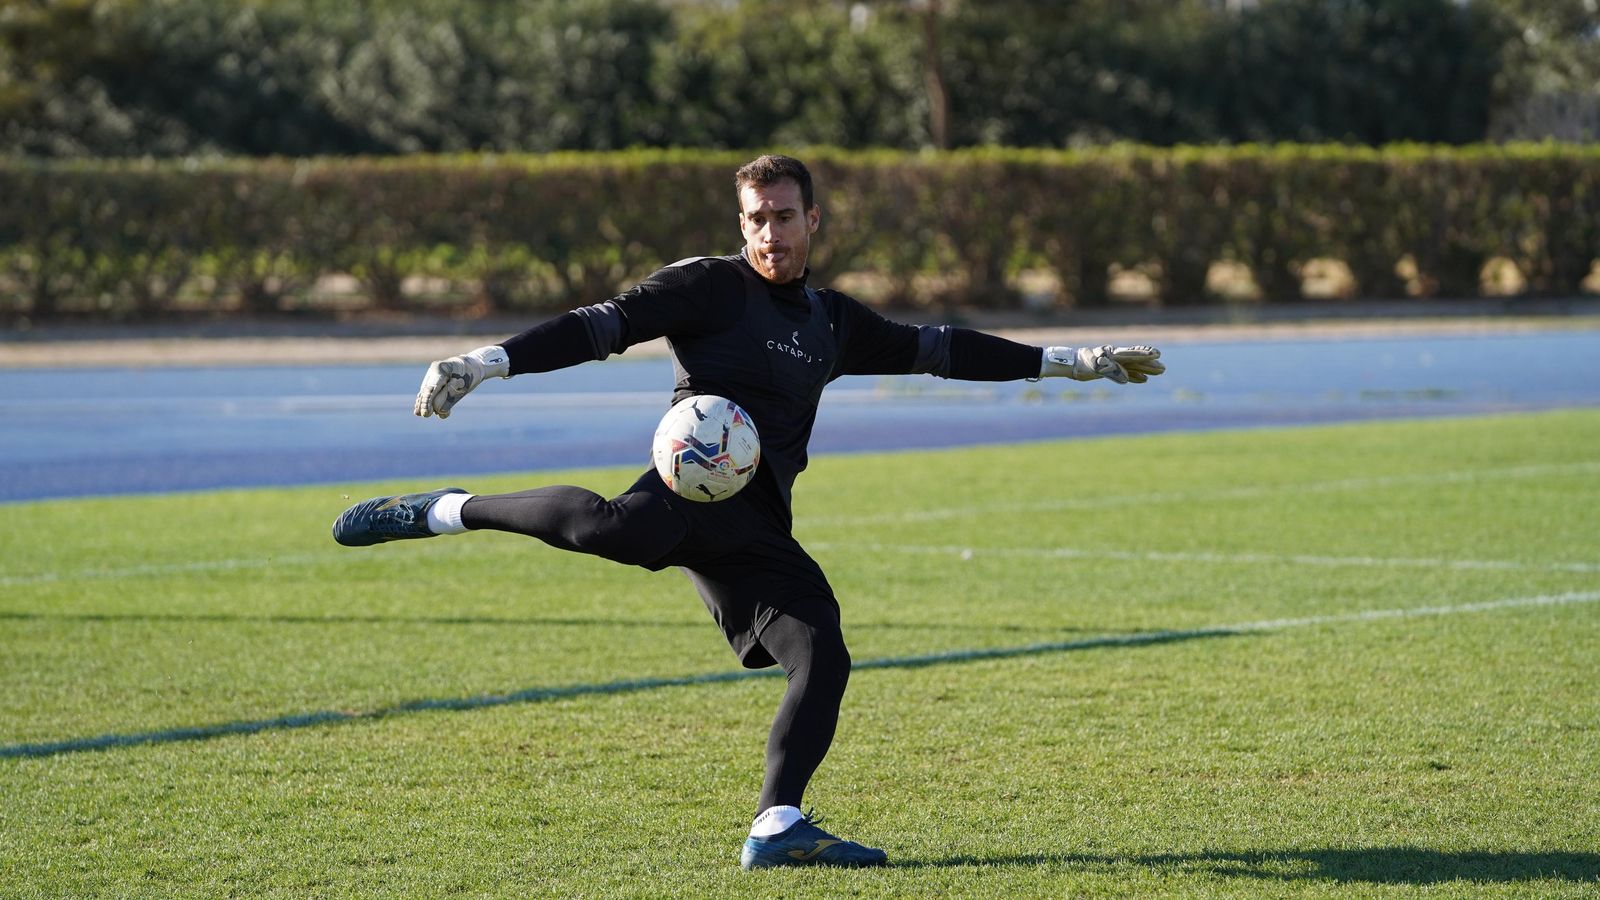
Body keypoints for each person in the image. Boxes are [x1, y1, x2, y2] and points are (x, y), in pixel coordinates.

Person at [332, 155, 1165, 869]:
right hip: (684, 490)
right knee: (605, 530)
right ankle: (447, 509)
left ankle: (777, 824)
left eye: (784, 217)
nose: (769, 234)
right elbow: (600, 327)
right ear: (742, 225)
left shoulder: (833, 320)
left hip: (760, 524)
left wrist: (1075, 361)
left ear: (813, 220)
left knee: (823, 651)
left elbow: (944, 349)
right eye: (756, 220)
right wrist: (488, 362)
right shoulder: (708, 287)